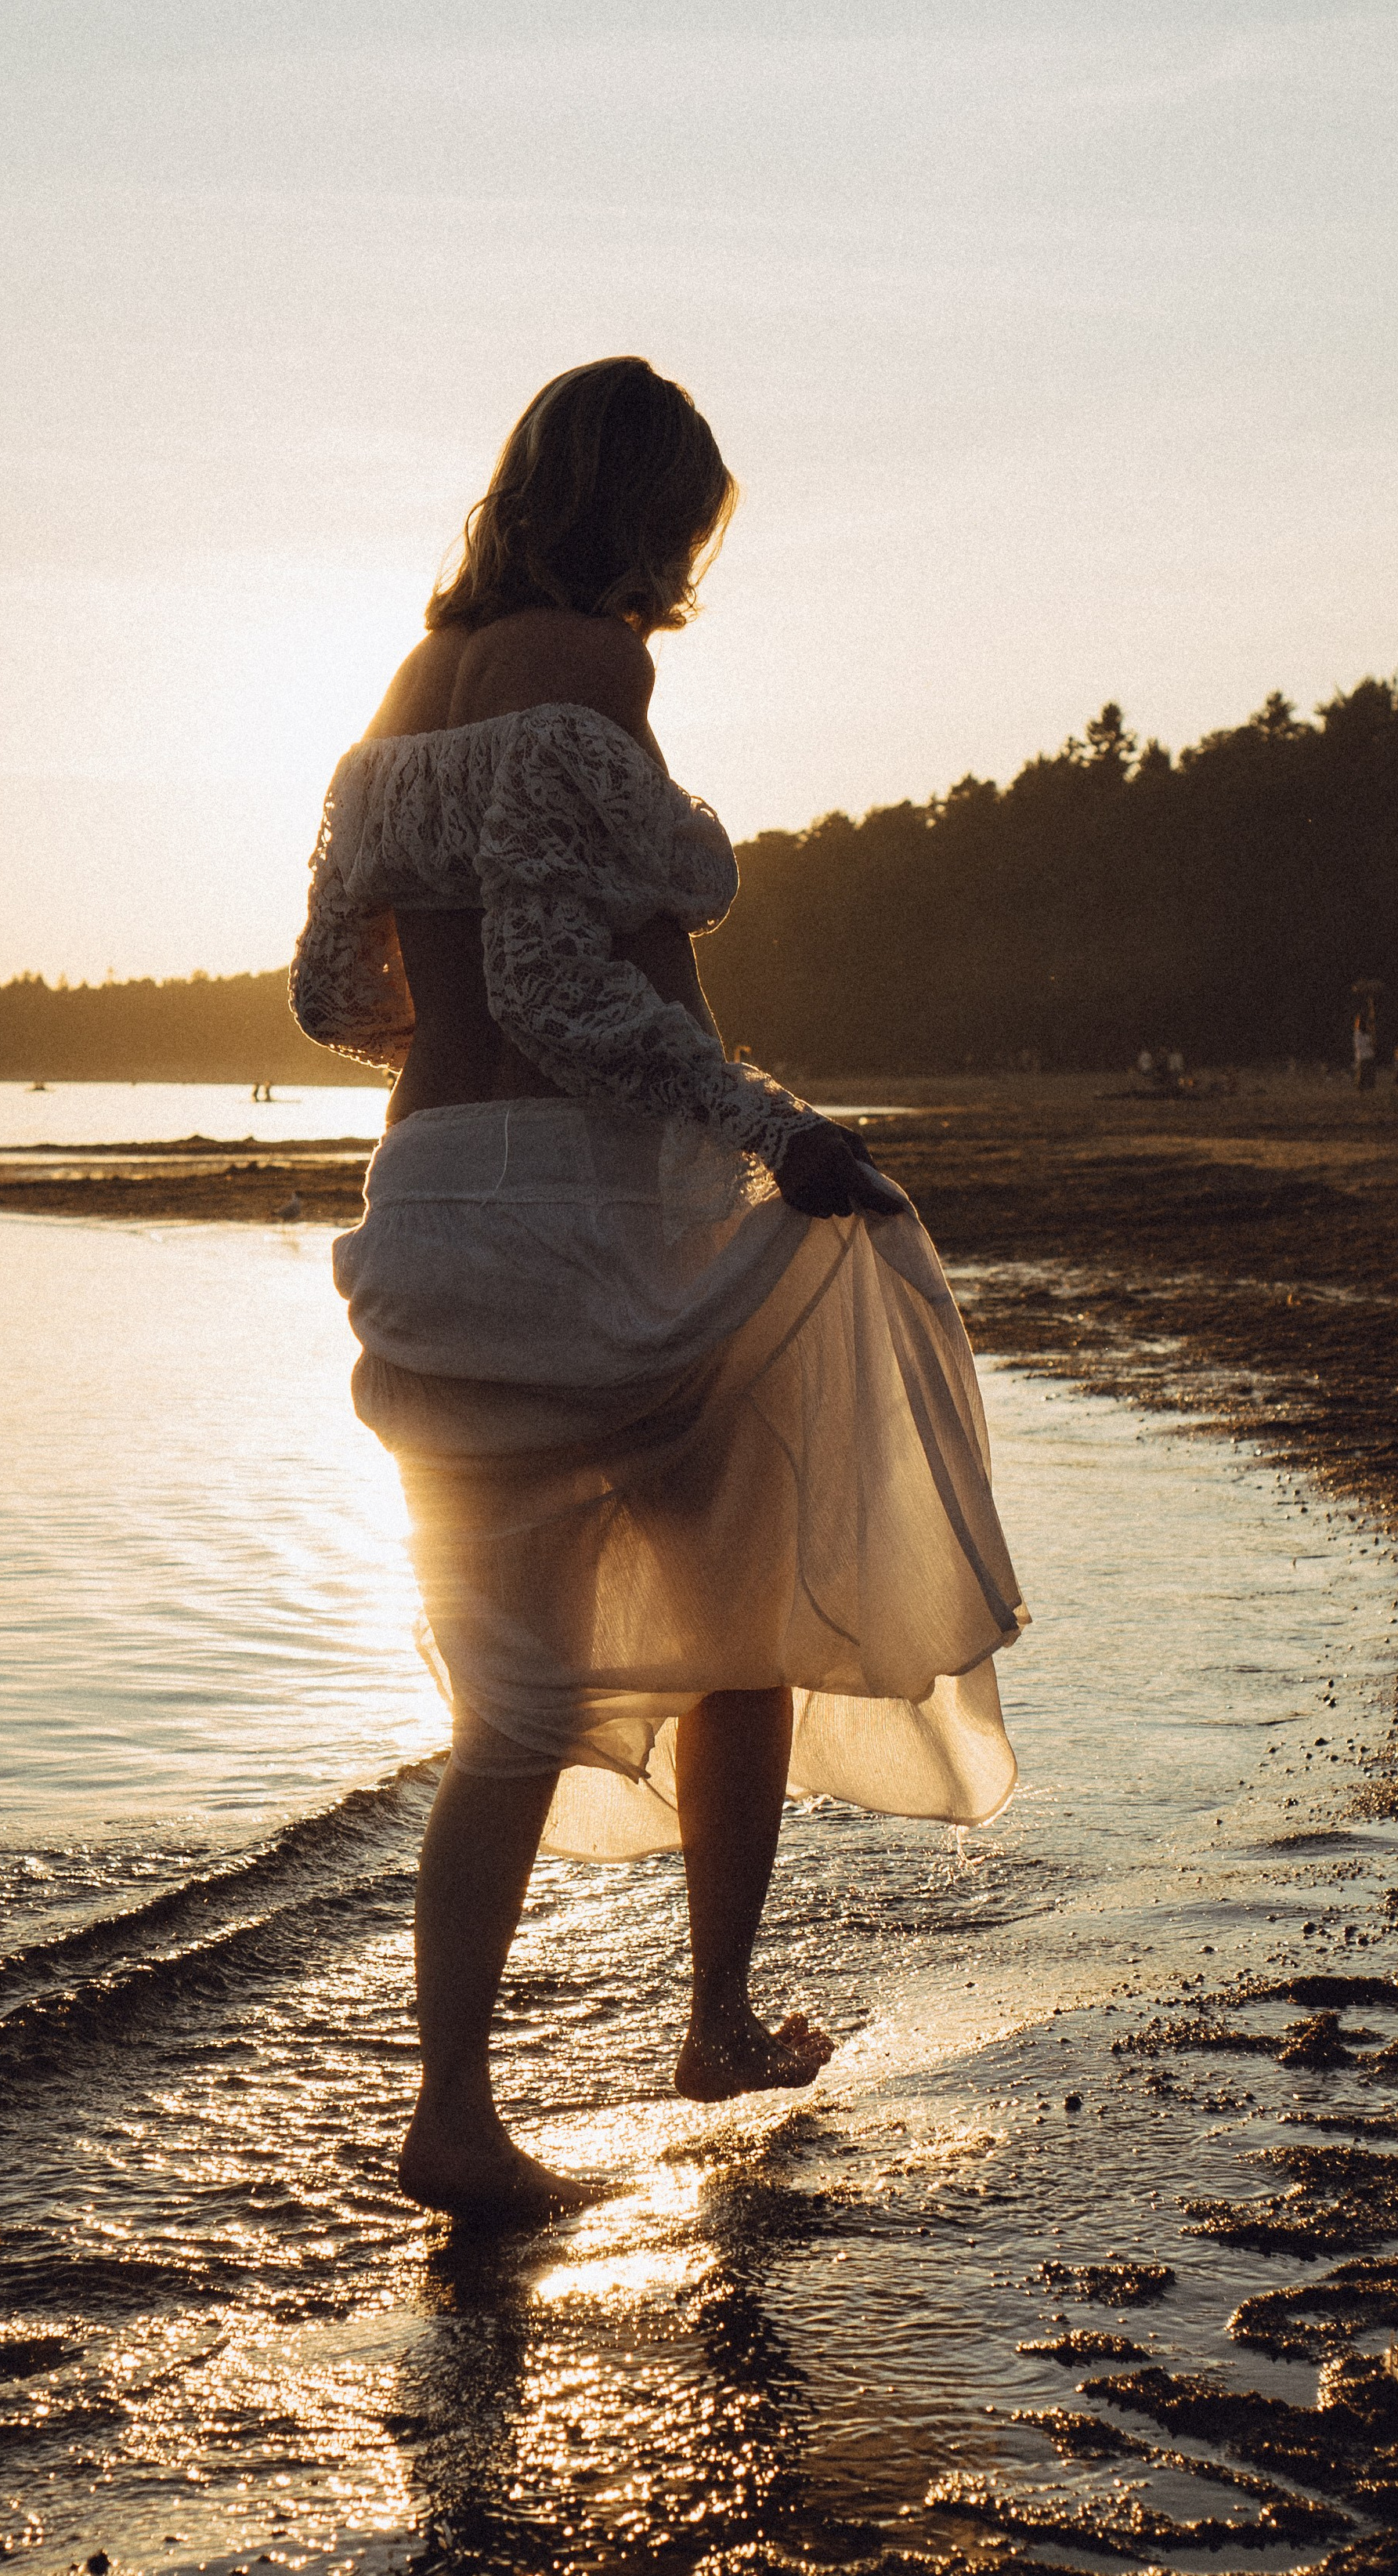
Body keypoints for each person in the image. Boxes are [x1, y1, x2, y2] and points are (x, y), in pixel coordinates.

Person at [291, 357, 1024, 2222]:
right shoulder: (587, 665)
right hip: (585, 1225)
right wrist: (773, 1129)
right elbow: (559, 985)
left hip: (429, 1211)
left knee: (508, 1710)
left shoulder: (396, 696)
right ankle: (703, 2020)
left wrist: (444, 1019)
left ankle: (453, 2106)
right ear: (648, 512)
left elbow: (339, 999)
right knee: (743, 1604)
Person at [1352, 1009, 1376, 1093]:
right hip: (1362, 1056)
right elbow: (1359, 1045)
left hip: (1369, 1055)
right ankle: (1361, 1091)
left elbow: (1373, 1043)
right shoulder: (1358, 1033)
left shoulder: (1368, 1032)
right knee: (1362, 1075)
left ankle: (1369, 1091)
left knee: (1369, 1075)